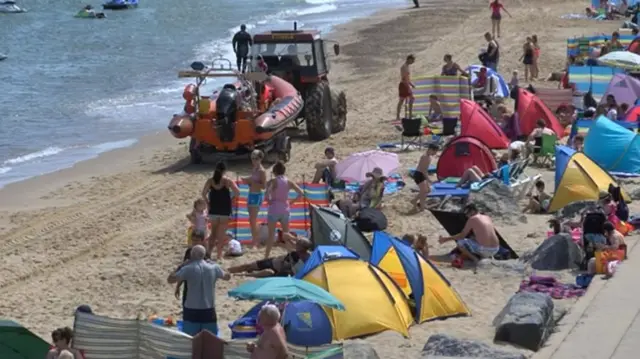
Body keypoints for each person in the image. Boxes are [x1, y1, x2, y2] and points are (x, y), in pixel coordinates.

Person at [167, 245, 231, 337]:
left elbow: (170, 279)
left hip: (191, 309)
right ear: (204, 255)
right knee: (210, 340)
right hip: (208, 309)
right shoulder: (214, 268)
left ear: (191, 255)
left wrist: (181, 266)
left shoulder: (187, 269)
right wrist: (215, 264)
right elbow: (227, 277)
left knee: (190, 340)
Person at [264, 161, 304, 259]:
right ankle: (291, 256)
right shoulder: (289, 182)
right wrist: (292, 202)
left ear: (274, 171)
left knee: (271, 236)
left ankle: (266, 257)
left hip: (274, 209)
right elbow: (301, 193)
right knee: (286, 236)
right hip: (285, 209)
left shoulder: (273, 181)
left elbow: (266, 194)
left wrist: (269, 200)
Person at [202, 162, 241, 260]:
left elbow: (203, 194)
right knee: (221, 235)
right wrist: (231, 199)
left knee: (213, 234)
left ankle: (209, 253)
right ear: (224, 171)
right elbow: (237, 193)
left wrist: (208, 203)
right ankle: (219, 255)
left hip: (214, 210)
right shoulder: (227, 181)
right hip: (225, 210)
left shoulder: (210, 181)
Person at [229, 236, 312, 277]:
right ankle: (229, 271)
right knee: (249, 266)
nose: (296, 244)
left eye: (298, 244)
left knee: (256, 271)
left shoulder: (305, 258)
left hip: (280, 270)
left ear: (302, 247)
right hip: (274, 263)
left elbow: (294, 272)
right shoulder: (304, 255)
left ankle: (237, 274)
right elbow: (286, 236)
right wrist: (292, 239)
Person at [174, 231, 211, 303]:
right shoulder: (189, 252)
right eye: (193, 240)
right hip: (188, 283)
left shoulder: (204, 253)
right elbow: (183, 269)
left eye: (197, 240)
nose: (194, 242)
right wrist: (178, 286)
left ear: (202, 241)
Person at [244, 150, 267, 248]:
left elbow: (264, 186)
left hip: (256, 195)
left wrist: (252, 183)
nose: (254, 160)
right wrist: (247, 181)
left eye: (256, 158)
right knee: (252, 220)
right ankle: (255, 238)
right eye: (252, 158)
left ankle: (255, 241)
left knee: (252, 219)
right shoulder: (255, 169)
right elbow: (253, 181)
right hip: (251, 194)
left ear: (260, 159)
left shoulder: (262, 171)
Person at [410, 143, 439, 212]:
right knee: (424, 191)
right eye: (435, 151)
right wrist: (429, 180)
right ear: (431, 149)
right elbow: (423, 170)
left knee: (427, 190)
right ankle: (421, 206)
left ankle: (416, 201)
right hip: (419, 175)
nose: (435, 153)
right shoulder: (425, 157)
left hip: (421, 174)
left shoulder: (428, 156)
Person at [396, 54, 416, 122]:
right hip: (404, 85)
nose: (413, 62)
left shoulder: (406, 66)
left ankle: (408, 115)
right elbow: (404, 77)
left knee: (406, 100)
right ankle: (400, 115)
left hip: (405, 84)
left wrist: (411, 84)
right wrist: (408, 85)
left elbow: (407, 78)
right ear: (409, 59)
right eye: (412, 60)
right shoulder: (404, 67)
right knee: (403, 100)